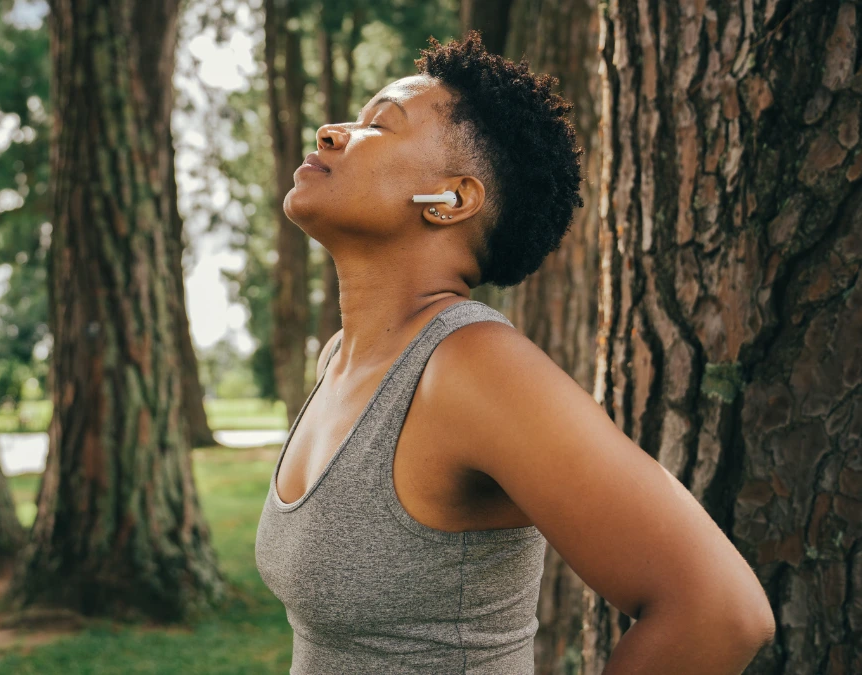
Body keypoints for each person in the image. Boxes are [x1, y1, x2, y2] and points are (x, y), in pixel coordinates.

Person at [253, 32, 775, 674]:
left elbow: (719, 611)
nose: (332, 132)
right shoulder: (338, 359)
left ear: (453, 201)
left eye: (378, 125)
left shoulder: (472, 365)